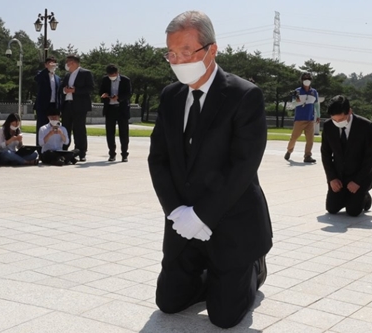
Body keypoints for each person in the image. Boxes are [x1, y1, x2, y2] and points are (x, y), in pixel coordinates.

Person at [147, 10, 272, 329]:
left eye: (186, 52)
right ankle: (213, 276)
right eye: (171, 53)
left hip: (230, 219)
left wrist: (202, 215)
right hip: (183, 222)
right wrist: (176, 212)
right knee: (169, 302)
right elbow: (157, 159)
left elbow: (243, 167)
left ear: (212, 50)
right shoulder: (171, 96)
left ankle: (252, 268)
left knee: (225, 317)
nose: (177, 60)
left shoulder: (244, 95)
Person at [321, 95, 372, 216]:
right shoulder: (328, 126)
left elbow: (370, 158)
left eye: (340, 120)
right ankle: (347, 196)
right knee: (332, 208)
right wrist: (332, 178)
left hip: (358, 175)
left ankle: (365, 195)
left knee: (353, 211)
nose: (337, 123)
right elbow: (325, 154)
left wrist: (357, 181)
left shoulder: (366, 126)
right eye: (334, 120)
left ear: (349, 111)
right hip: (339, 175)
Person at [61, 54, 94, 161]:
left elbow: (90, 88)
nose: (66, 65)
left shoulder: (85, 73)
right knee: (66, 128)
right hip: (67, 104)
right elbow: (61, 87)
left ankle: (81, 152)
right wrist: (64, 90)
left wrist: (75, 90)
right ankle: (64, 150)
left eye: (68, 63)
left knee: (79, 129)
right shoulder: (67, 75)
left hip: (80, 106)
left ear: (73, 63)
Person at [284, 72, 320, 163]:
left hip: (310, 119)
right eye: (305, 79)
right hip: (299, 118)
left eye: (308, 79)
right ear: (302, 80)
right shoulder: (297, 91)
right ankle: (289, 150)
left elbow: (316, 104)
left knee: (310, 139)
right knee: (294, 137)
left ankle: (307, 156)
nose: (307, 80)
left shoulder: (314, 92)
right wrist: (296, 100)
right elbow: (293, 104)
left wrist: (318, 115)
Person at [99, 64, 132, 162]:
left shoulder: (125, 80)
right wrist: (104, 95)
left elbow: (128, 93)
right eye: (110, 74)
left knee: (124, 133)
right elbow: (101, 91)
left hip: (122, 109)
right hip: (110, 108)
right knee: (110, 133)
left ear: (117, 72)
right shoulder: (105, 80)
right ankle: (112, 154)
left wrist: (119, 97)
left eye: (113, 74)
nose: (111, 76)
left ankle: (124, 154)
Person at [34, 56, 62, 146]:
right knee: (41, 127)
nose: (52, 65)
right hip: (43, 106)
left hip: (54, 106)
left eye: (54, 63)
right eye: (50, 63)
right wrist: (47, 70)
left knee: (53, 127)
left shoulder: (57, 78)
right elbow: (37, 79)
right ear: (45, 64)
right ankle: (40, 148)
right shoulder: (41, 74)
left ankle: (52, 147)